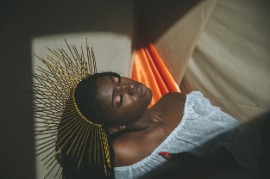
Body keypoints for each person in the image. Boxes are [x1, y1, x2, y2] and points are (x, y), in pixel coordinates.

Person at [34, 42, 262, 179]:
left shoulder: (177, 101)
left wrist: (209, 164)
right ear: (114, 126)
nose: (130, 86)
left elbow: (246, 138)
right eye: (120, 98)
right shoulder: (124, 161)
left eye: (118, 79)